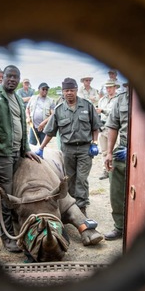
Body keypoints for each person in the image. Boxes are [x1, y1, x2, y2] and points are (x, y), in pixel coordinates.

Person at [0, 65, 41, 252]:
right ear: (3, 77)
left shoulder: (17, 98)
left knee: (5, 191)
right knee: (6, 196)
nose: (12, 80)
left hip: (16, 152)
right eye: (9, 76)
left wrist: (26, 148)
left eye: (16, 77)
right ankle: (7, 237)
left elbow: (23, 125)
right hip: (1, 153)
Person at [36, 78, 101, 216]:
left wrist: (95, 143)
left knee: (81, 179)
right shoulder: (59, 110)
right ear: (63, 92)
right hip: (67, 150)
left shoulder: (87, 106)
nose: (69, 93)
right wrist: (41, 148)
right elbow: (50, 132)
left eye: (72, 90)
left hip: (85, 149)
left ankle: (82, 209)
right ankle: (73, 208)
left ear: (76, 90)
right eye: (66, 90)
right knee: (69, 180)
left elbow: (95, 127)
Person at [103, 90, 130, 240]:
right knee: (117, 189)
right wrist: (109, 152)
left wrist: (138, 147)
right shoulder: (122, 98)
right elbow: (113, 125)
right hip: (124, 147)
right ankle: (120, 226)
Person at [96, 79, 120, 180]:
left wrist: (103, 110)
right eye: (107, 87)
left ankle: (114, 170)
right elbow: (98, 113)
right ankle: (105, 170)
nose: (108, 89)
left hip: (114, 128)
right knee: (104, 151)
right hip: (103, 127)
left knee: (114, 150)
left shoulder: (118, 99)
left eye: (110, 87)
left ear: (115, 88)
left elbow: (115, 113)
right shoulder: (102, 100)